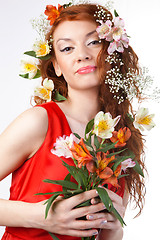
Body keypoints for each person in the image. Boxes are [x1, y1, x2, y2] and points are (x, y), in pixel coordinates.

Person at [0, 2, 146, 240]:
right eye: (67, 48)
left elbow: (105, 234)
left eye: (93, 42)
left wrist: (115, 227)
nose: (82, 55)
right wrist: (41, 216)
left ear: (112, 50)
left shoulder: (122, 137)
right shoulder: (39, 121)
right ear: (56, 66)